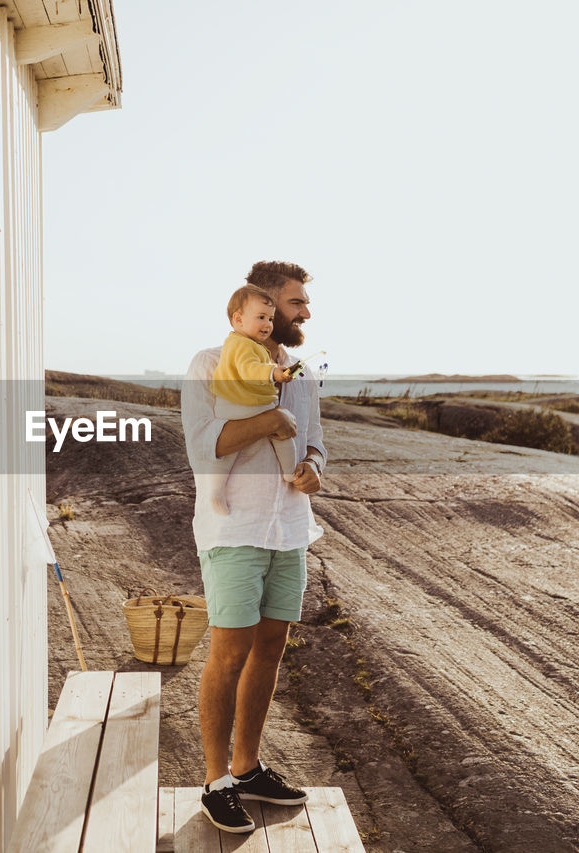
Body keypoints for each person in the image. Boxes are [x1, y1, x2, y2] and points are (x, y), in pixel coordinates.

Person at [180, 260, 327, 834]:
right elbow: (204, 447)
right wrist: (270, 420)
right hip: (234, 529)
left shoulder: (301, 372)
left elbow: (315, 442)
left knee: (270, 648)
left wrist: (314, 468)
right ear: (259, 304)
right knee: (229, 652)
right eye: (295, 304)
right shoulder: (209, 365)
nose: (304, 313)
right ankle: (217, 782)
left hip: (290, 528)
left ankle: (247, 768)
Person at [206, 284, 297, 515]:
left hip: (243, 403)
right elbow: (248, 369)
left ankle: (217, 492)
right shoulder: (241, 344)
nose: (268, 324)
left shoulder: (247, 344)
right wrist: (273, 372)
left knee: (231, 455)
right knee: (280, 436)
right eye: (261, 317)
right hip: (243, 404)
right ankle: (290, 472)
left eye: (270, 318)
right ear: (238, 319)